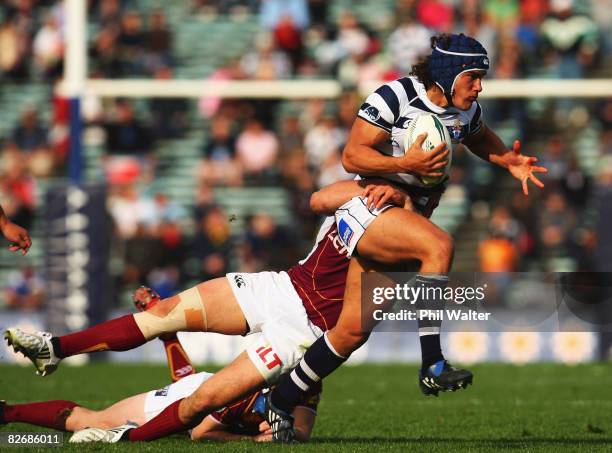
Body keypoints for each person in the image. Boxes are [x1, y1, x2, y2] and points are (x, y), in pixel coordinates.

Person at [263, 32, 547, 441]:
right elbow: (352, 156)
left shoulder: (464, 110)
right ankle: (432, 363)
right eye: (473, 77)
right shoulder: (393, 97)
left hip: (407, 217)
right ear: (449, 74)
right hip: (374, 208)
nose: (480, 85)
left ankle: (281, 399)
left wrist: (510, 162)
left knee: (351, 333)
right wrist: (405, 162)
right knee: (439, 245)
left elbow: (479, 136)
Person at [4, 179, 410, 443]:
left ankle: (94, 434)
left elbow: (219, 426)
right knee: (164, 317)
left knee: (179, 404)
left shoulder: (303, 379)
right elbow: (318, 198)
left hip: (301, 331)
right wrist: (169, 339)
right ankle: (54, 348)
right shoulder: (362, 192)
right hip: (283, 286)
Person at [1, 287, 319, 443]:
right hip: (198, 395)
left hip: (201, 386)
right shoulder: (247, 391)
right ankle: (8, 414)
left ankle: (163, 327)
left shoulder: (307, 377)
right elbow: (201, 432)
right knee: (94, 421)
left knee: (190, 383)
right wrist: (250, 440)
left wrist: (284, 435)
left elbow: (301, 431)